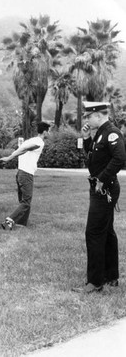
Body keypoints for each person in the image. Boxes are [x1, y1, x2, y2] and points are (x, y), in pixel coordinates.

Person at [74, 102, 126, 294]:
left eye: (88, 116)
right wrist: (87, 139)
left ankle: (95, 282)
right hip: (102, 188)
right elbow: (93, 161)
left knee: (94, 233)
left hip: (104, 189)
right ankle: (111, 276)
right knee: (107, 231)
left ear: (98, 115)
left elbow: (120, 158)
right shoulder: (100, 134)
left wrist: (102, 180)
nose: (86, 120)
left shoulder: (112, 132)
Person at [0, 121, 51, 230]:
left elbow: (20, 149)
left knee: (24, 201)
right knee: (26, 202)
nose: (49, 133)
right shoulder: (39, 142)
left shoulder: (29, 140)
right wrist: (9, 158)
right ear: (45, 132)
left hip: (20, 173)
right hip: (26, 174)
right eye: (49, 131)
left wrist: (9, 156)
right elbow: (24, 150)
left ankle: (21, 224)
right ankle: (9, 221)